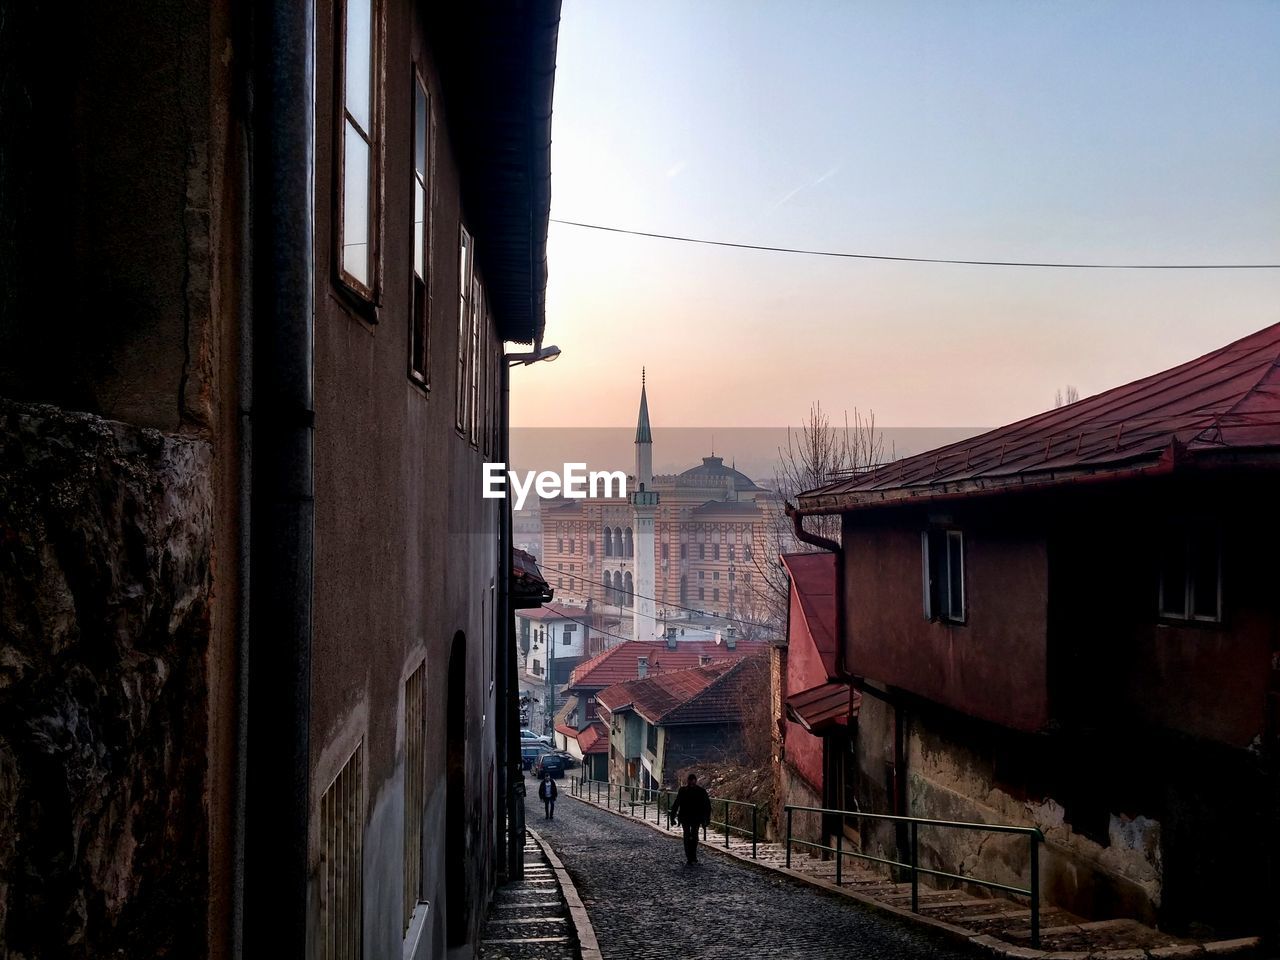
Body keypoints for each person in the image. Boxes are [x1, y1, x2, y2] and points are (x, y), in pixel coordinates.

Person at [670, 773, 711, 865]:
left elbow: (676, 804)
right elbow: (707, 806)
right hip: (692, 818)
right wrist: (707, 819)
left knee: (689, 836)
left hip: (688, 817)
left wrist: (672, 817)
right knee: (692, 836)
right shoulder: (700, 791)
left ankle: (690, 856)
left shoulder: (684, 791)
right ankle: (691, 856)